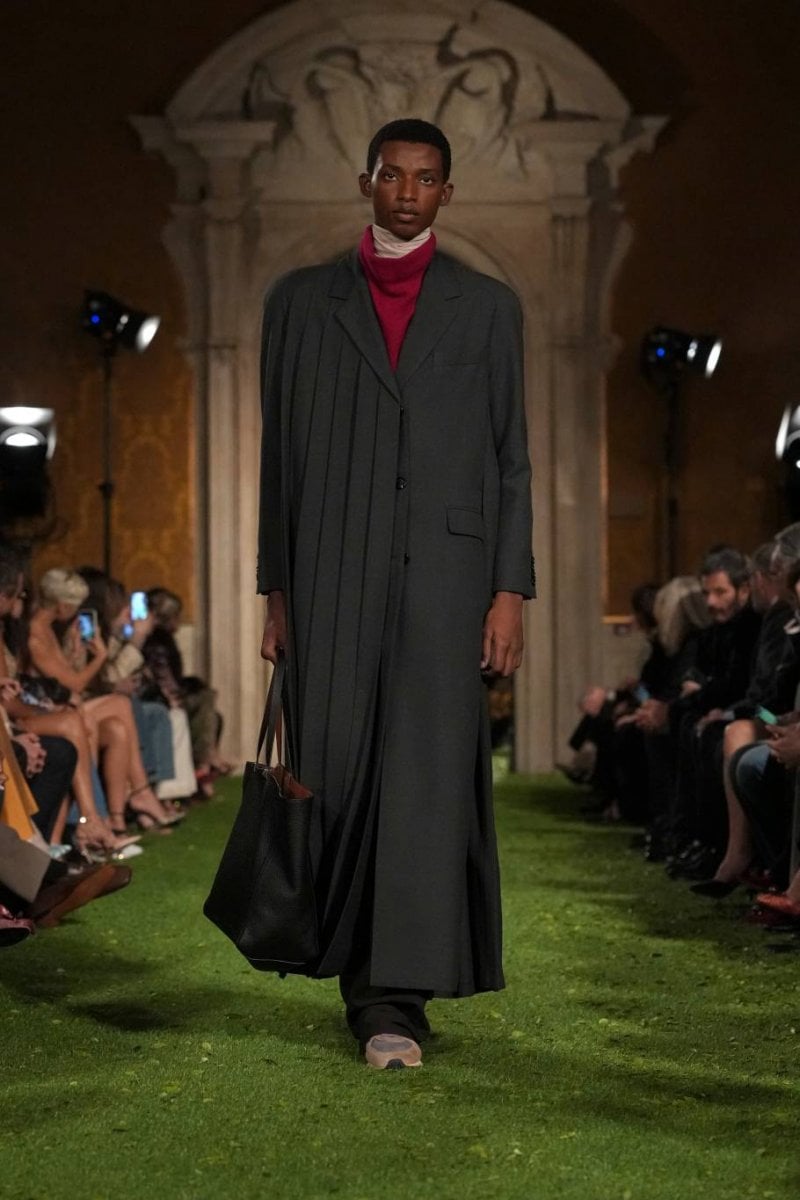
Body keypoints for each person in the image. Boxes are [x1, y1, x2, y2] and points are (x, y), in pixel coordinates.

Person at [257, 118, 534, 1069]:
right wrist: (277, 590)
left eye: (426, 179)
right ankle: (354, 970)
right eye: (393, 175)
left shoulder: (488, 307)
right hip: (328, 569)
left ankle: (393, 1002)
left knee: (423, 781)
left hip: (449, 579)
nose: (408, 192)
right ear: (366, 180)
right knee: (333, 772)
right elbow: (279, 461)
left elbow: (511, 459)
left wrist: (509, 588)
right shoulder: (300, 302)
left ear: (446, 193)